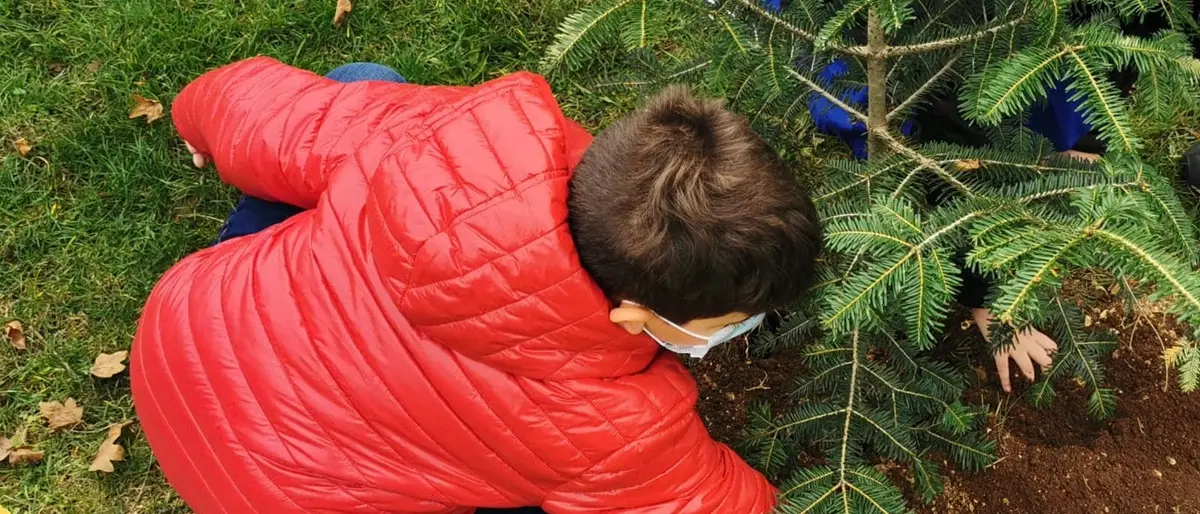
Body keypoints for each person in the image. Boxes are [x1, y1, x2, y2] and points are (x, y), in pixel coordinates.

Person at [130, 57, 822, 513]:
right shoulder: (609, 426)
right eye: (729, 321)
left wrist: (196, 119)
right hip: (275, 494)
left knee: (361, 83)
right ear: (634, 314)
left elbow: (260, 107)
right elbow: (704, 503)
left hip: (185, 336)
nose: (741, 331)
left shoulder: (448, 139)